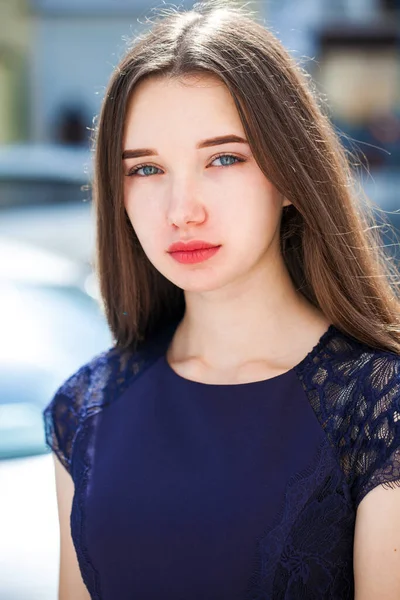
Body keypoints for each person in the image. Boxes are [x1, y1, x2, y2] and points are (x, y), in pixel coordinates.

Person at [43, 2, 400, 599]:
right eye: (147, 169)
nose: (182, 209)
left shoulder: (378, 405)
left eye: (224, 158)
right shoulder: (82, 411)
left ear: (290, 172)